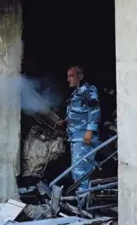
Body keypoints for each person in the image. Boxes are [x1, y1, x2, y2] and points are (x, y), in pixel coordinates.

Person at [58, 66, 101, 195]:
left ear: (80, 76)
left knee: (81, 173)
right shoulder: (76, 92)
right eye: (67, 76)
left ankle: (84, 206)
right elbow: (79, 112)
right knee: (77, 171)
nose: (68, 79)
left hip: (84, 137)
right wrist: (65, 121)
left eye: (71, 76)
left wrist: (90, 130)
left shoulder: (89, 90)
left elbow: (94, 109)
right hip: (76, 137)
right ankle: (82, 202)